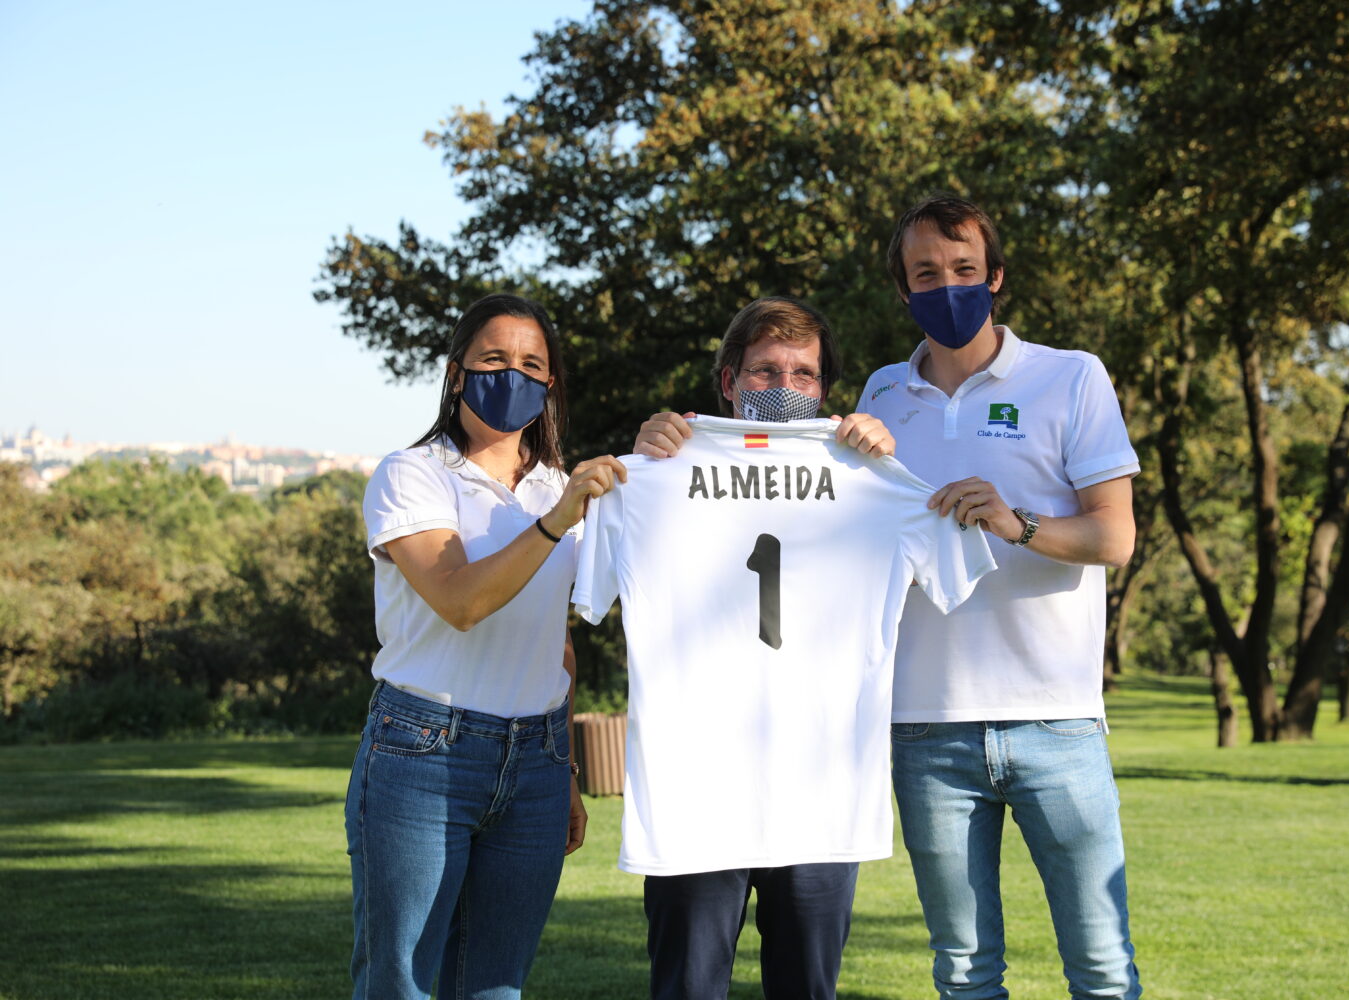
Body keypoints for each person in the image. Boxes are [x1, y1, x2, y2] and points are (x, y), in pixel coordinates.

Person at [858, 195, 1143, 999]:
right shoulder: (879, 398)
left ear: (996, 278)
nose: (947, 285)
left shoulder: (1071, 377)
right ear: (903, 291)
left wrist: (1016, 524)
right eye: (926, 274)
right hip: (925, 729)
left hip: (1057, 722)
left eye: (964, 270)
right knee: (963, 972)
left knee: (1101, 967)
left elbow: (1114, 539)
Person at [628, 297, 945, 1000]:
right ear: (728, 381)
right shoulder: (662, 470)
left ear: (826, 391)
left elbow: (947, 562)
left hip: (819, 791)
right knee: (686, 988)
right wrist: (642, 460)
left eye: (804, 374)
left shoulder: (869, 475)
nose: (784, 387)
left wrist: (884, 467)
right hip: (695, 793)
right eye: (766, 369)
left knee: (806, 989)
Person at [346, 292, 626, 1000]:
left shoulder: (556, 487)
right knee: (400, 984)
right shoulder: (412, 475)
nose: (514, 375)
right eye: (495, 359)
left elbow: (556, 643)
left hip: (535, 759)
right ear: (457, 373)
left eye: (533, 364)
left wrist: (563, 765)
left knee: (496, 988)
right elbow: (460, 601)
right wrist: (559, 522)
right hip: (424, 751)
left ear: (550, 384)